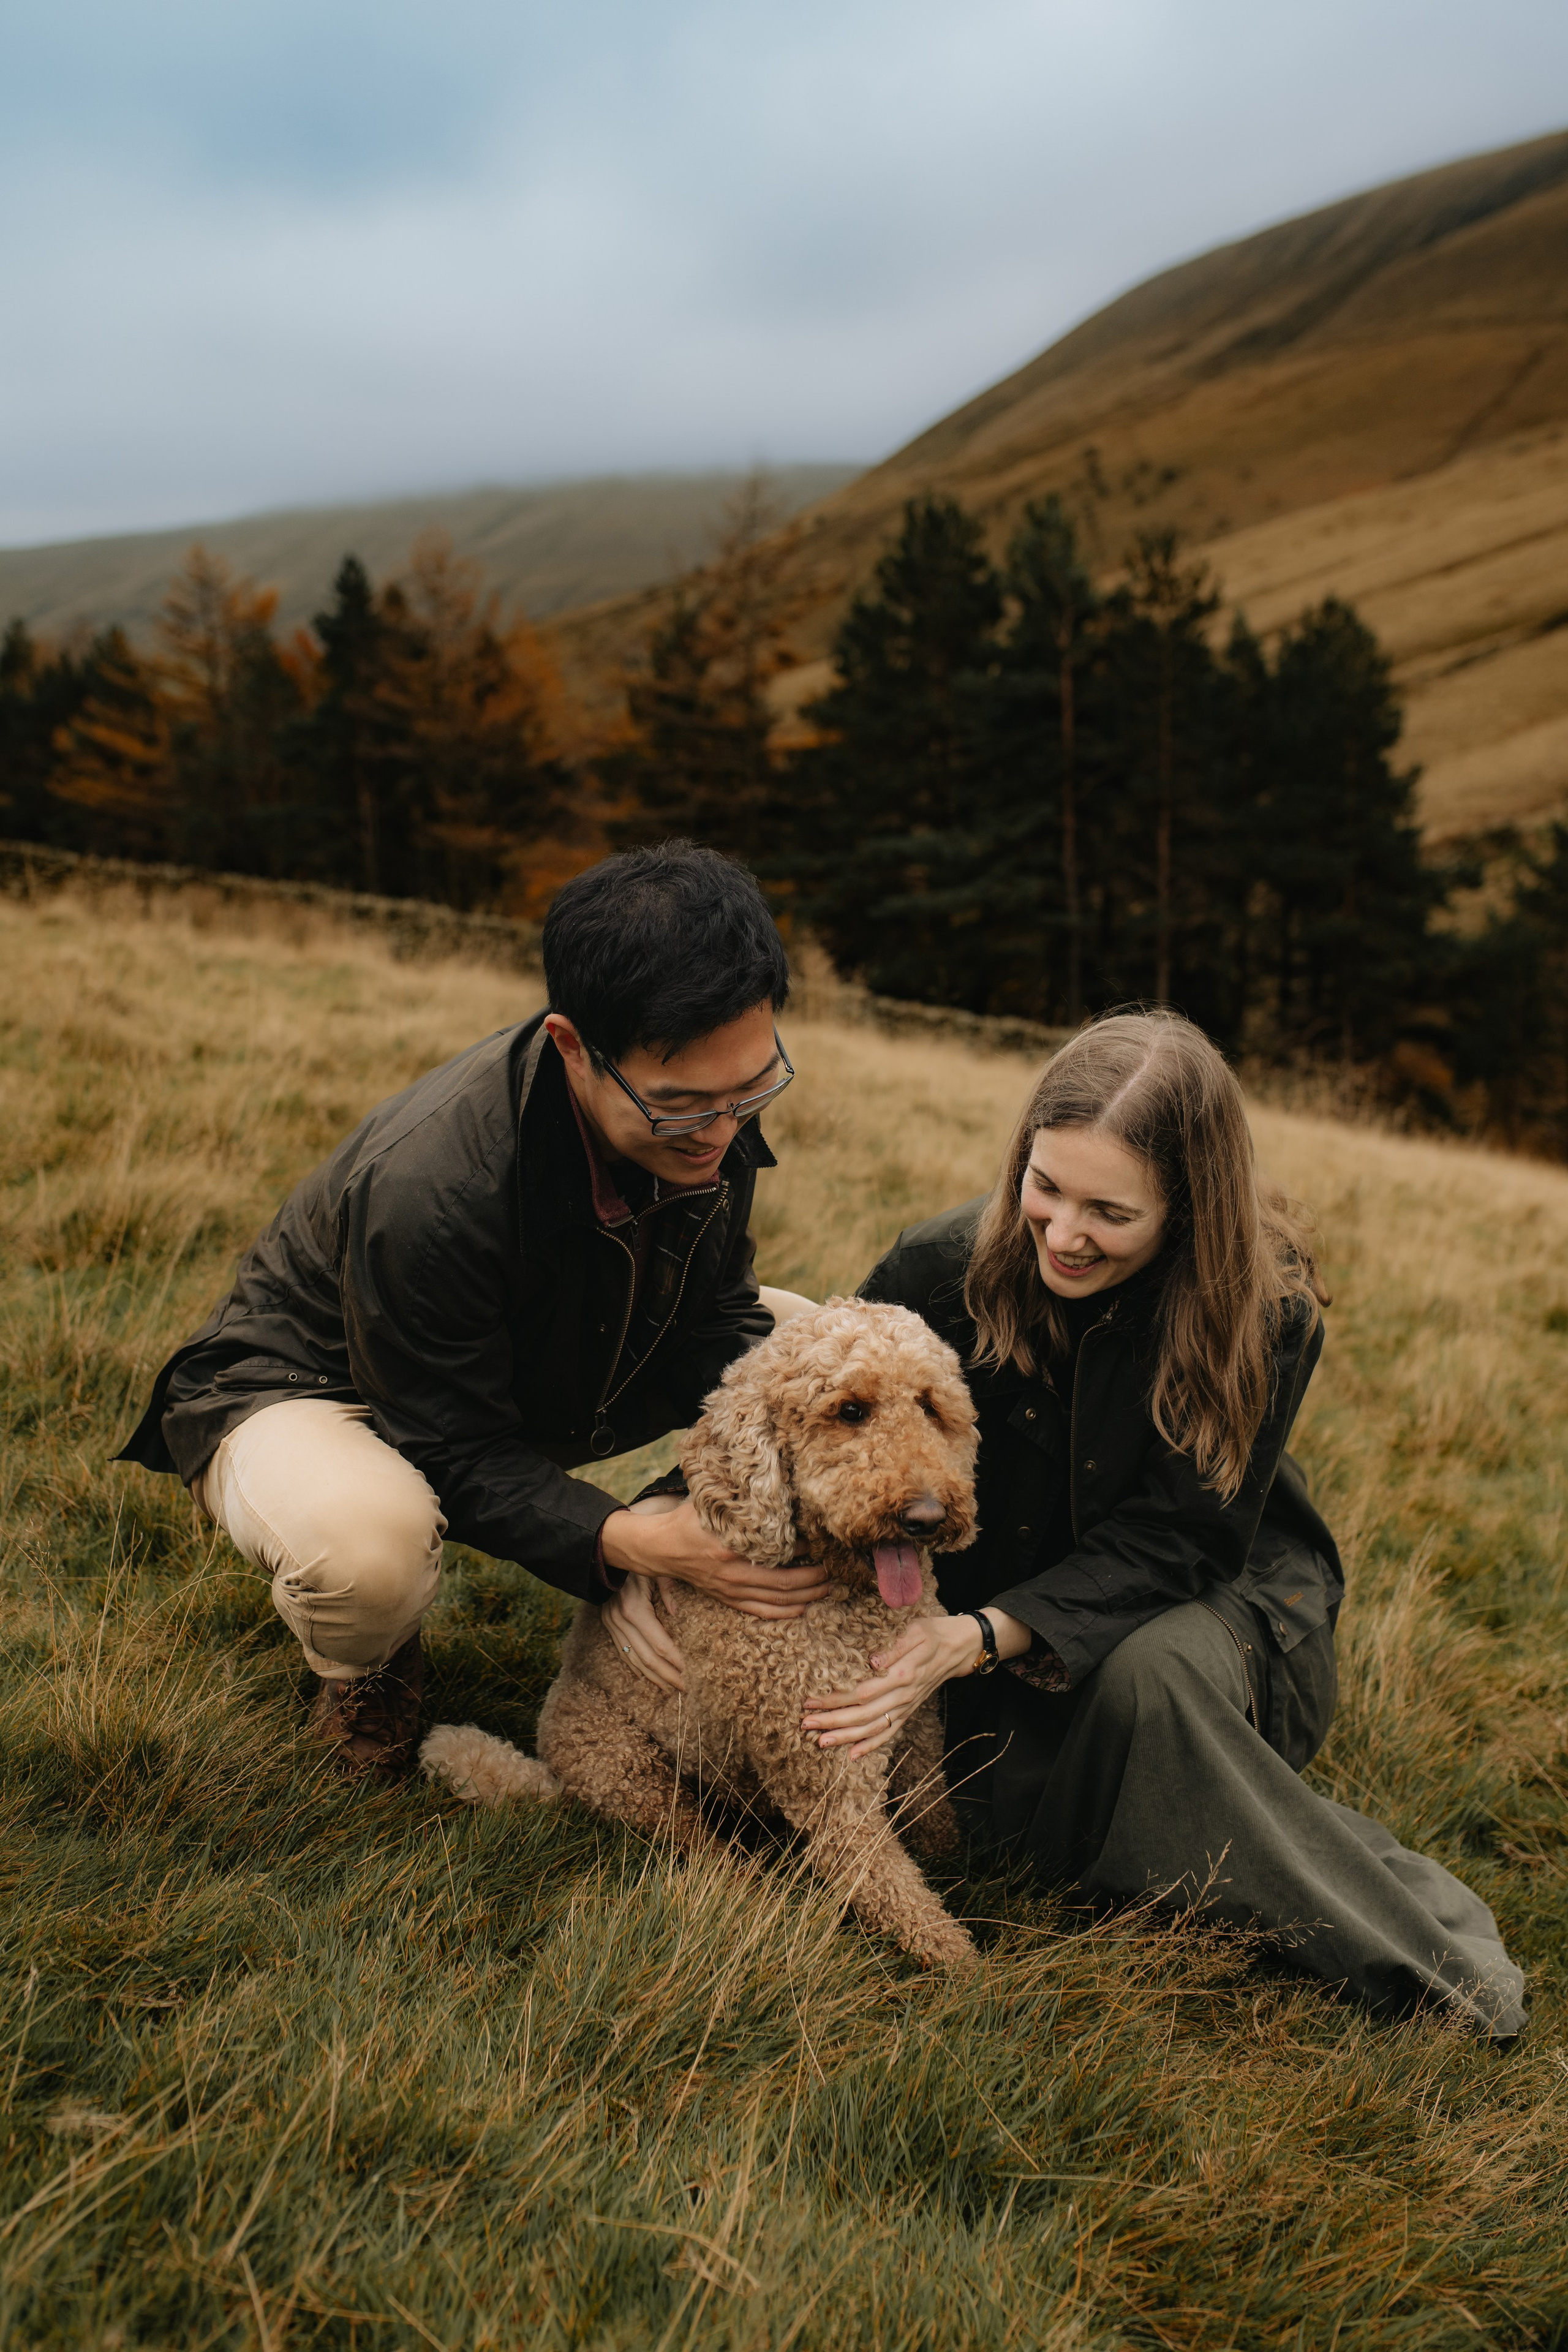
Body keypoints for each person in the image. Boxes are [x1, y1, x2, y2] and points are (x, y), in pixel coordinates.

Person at [802, 1010, 1525, 2038]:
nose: (1062, 1234)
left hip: (1214, 1598)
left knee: (1150, 1684)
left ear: (1187, 1210)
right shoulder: (941, 1266)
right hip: (1000, 1609)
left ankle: (1425, 1970)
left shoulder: (1261, 1311)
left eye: (1111, 1212)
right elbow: (803, 1410)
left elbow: (1180, 1540)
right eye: (1044, 1187)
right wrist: (647, 1543)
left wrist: (975, 1638)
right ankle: (1165, 1807)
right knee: (983, 1791)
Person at [118, 842, 824, 1777]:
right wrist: (624, 1542)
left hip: (527, 1359)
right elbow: (447, 1440)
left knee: (812, 1351)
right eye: (684, 1107)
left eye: (753, 1088)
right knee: (370, 1547)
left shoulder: (706, 1096)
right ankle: (365, 1660)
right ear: (575, 1046)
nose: (727, 1132)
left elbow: (720, 1311)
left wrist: (702, 1481)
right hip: (315, 1388)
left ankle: (748, 1573)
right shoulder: (431, 1187)